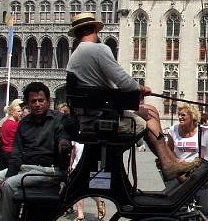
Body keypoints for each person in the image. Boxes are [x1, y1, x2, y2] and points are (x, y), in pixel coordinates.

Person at [65, 11, 198, 180]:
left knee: (150, 110)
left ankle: (172, 163)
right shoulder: (98, 49)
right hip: (101, 118)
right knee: (148, 116)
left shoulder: (76, 54)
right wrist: (141, 88)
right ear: (94, 30)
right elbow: (123, 81)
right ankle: (168, 164)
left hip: (88, 115)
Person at [0, 82, 71, 221]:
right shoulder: (24, 123)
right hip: (25, 169)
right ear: (28, 103)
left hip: (48, 170)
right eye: (33, 101)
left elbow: (63, 135)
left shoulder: (59, 119)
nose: (37, 104)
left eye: (41, 100)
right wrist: (9, 174)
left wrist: (63, 142)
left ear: (48, 101)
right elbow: (16, 153)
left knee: (9, 185)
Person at [58, 103, 105, 221]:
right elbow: (72, 150)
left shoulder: (82, 129)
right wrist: (71, 164)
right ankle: (81, 214)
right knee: (79, 189)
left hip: (85, 161)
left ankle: (88, 209)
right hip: (77, 162)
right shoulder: (71, 129)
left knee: (81, 188)